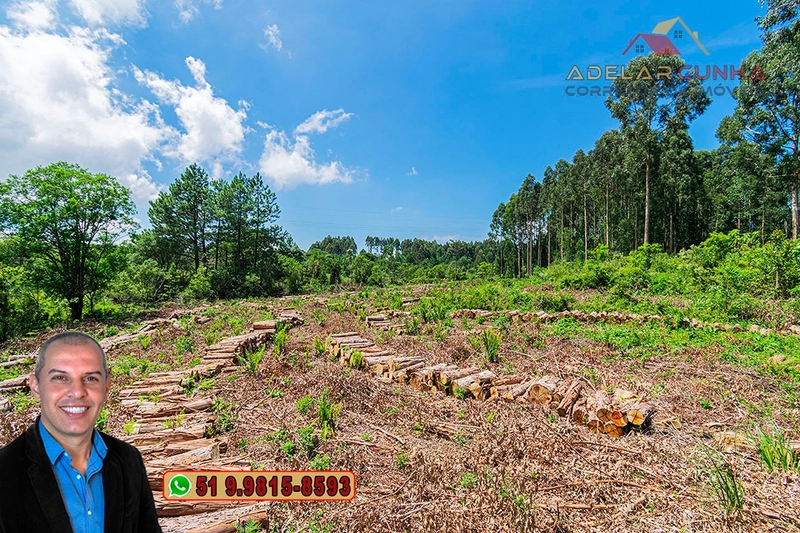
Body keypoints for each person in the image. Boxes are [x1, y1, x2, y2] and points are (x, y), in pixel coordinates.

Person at [0, 331, 162, 533]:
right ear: (36, 386)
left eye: (91, 378)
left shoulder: (128, 460)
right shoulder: (5, 471)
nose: (77, 392)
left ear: (106, 386)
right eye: (60, 377)